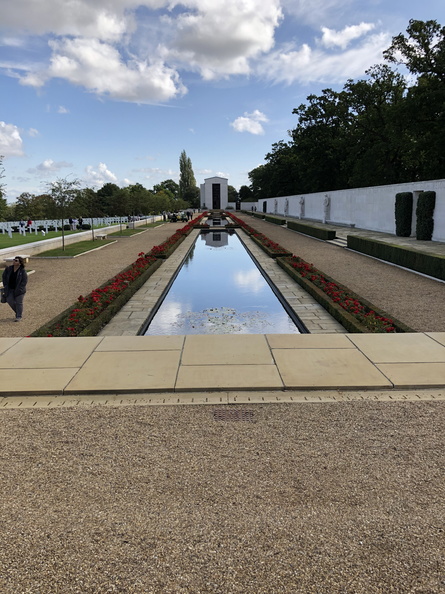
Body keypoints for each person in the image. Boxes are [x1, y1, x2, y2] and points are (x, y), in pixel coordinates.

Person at [2, 256, 28, 322]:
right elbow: (4, 276)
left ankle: (19, 316)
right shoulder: (9, 269)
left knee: (19, 303)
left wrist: (20, 288)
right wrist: (5, 285)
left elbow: (24, 281)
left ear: (19, 263)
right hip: (10, 289)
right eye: (14, 260)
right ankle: (18, 312)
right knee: (9, 300)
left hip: (19, 290)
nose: (14, 261)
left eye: (16, 260)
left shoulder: (22, 271)